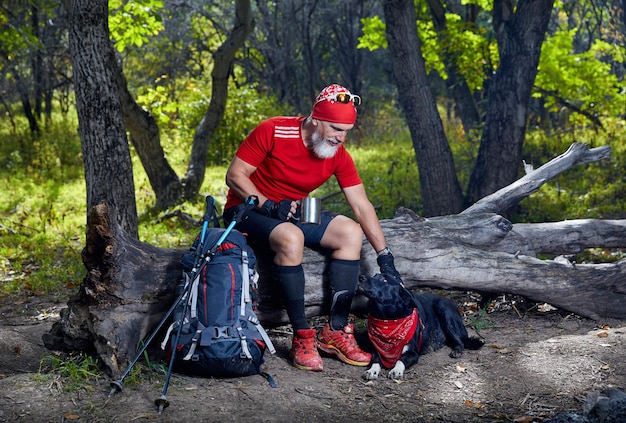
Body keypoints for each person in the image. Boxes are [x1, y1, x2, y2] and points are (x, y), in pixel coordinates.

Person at [223, 84, 401, 372]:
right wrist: (267, 204)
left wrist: (385, 256)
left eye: (346, 131)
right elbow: (235, 175)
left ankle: (335, 331)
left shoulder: (337, 153)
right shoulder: (273, 130)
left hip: (291, 212)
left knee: (350, 232)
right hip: (246, 210)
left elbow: (361, 205)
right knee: (292, 237)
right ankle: (302, 336)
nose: (341, 138)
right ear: (315, 119)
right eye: (335, 128)